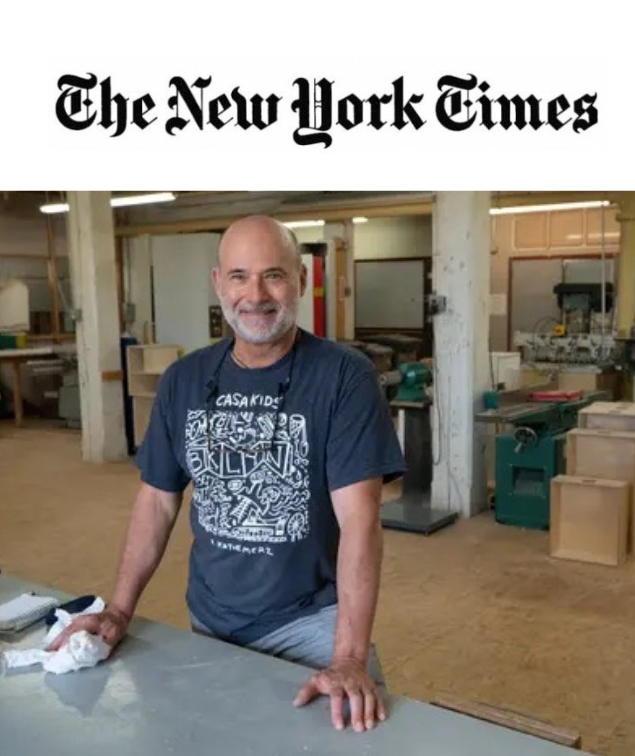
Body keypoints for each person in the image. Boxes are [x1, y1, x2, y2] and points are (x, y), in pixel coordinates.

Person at [51, 215, 406, 733]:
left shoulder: (343, 376)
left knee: (355, 737)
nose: (255, 295)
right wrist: (119, 609)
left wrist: (349, 658)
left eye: (273, 275)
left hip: (312, 627)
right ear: (219, 283)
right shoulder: (184, 379)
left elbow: (360, 521)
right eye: (239, 276)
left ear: (300, 279)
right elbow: (157, 501)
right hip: (210, 621)